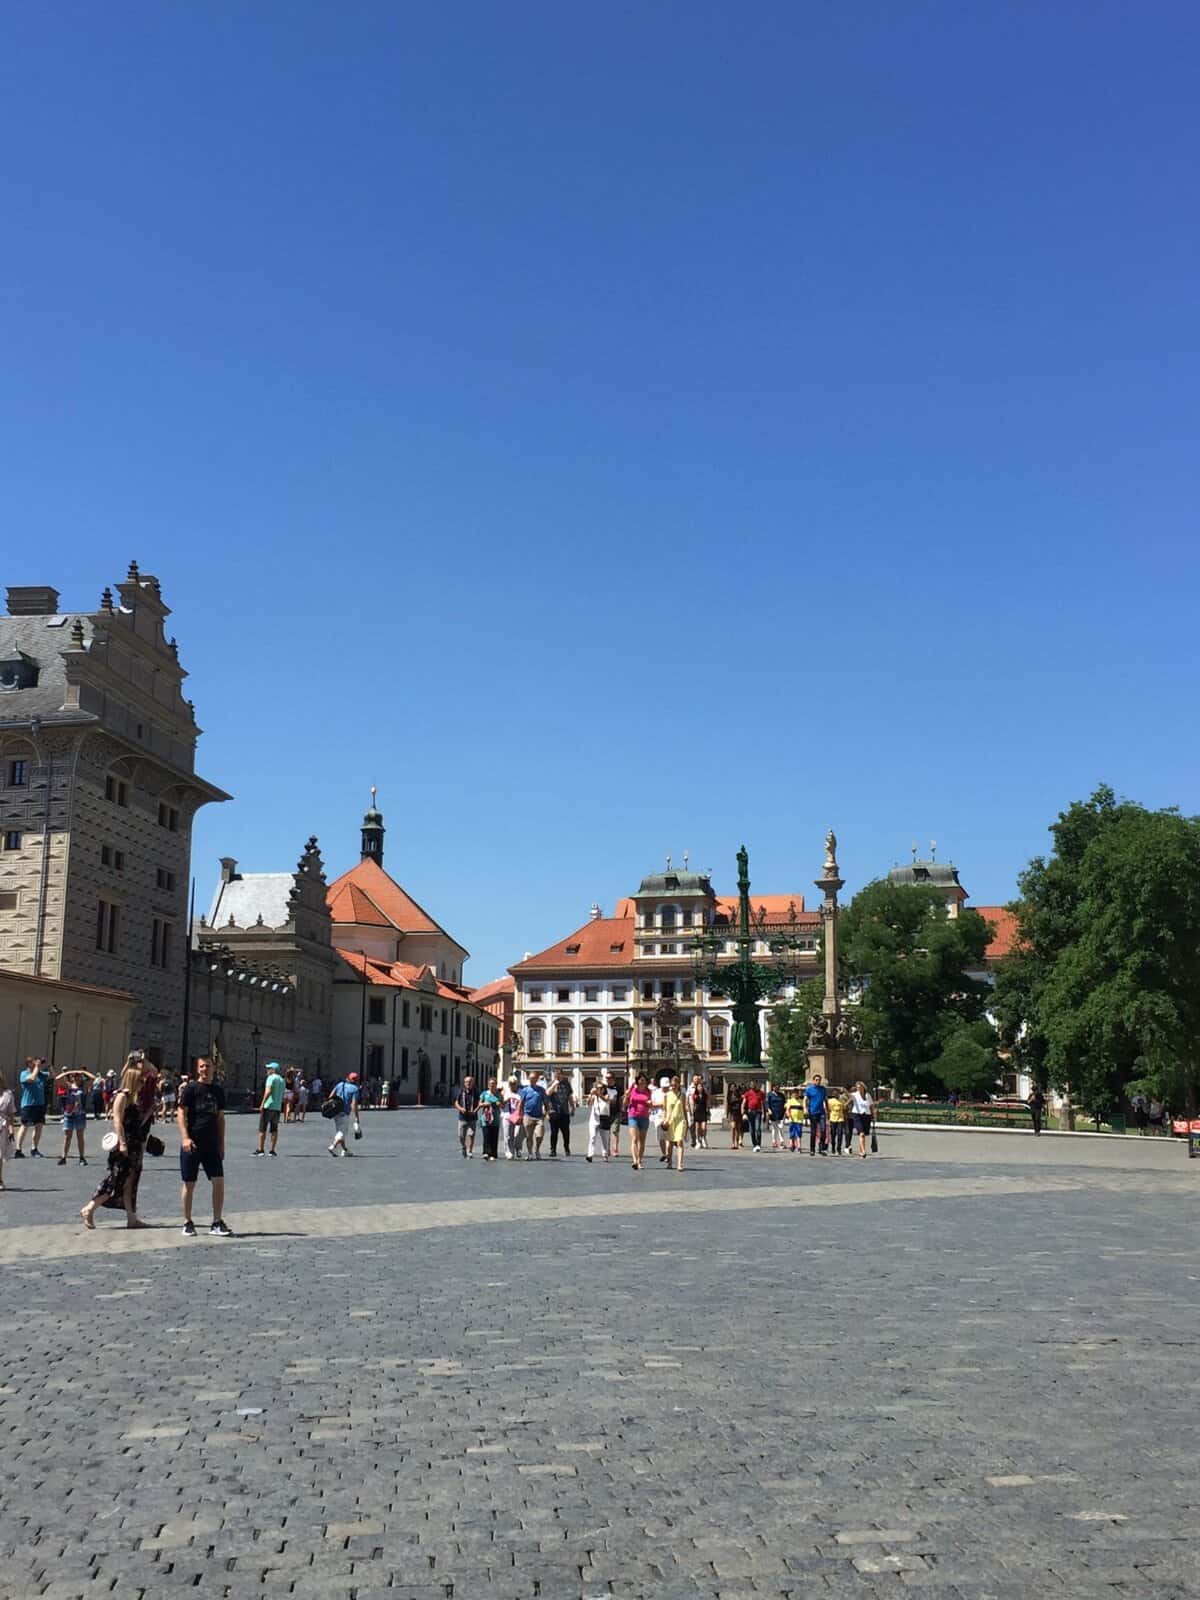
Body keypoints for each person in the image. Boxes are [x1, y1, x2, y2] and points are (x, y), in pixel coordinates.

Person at [80, 1055, 154, 1229]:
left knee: (130, 1181)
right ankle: (89, 1208)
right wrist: (122, 1143)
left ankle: (131, 1217)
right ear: (133, 1079)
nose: (143, 1083)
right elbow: (117, 1121)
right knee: (116, 1179)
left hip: (135, 1143)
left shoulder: (133, 1099)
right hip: (124, 1144)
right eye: (140, 1080)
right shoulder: (121, 1097)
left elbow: (137, 1123)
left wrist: (149, 1112)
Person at [177, 1056, 231, 1235]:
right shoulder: (190, 1089)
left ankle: (216, 1222)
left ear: (214, 1068)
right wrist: (185, 1137)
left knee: (219, 1182)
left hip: (211, 1144)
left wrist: (222, 1143)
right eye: (201, 1066)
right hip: (192, 1142)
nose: (205, 1069)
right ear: (197, 1068)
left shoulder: (218, 1091)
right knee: (189, 1183)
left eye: (208, 1066)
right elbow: (181, 1114)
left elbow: (220, 1119)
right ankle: (187, 1221)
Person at [15, 1057, 53, 1158]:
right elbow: (31, 1078)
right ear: (28, 1064)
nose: (37, 1064)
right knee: (25, 1126)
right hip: (28, 1104)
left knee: (39, 1126)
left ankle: (34, 1149)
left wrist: (49, 1066)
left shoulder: (41, 1074)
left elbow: (53, 1076)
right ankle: (18, 1150)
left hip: (40, 1104)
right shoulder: (24, 1074)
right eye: (33, 1062)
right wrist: (37, 1067)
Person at [56, 1070, 94, 1165]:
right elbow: (57, 1079)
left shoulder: (83, 1087)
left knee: (80, 1136)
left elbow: (94, 1078)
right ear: (72, 1078)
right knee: (67, 1136)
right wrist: (68, 1072)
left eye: (78, 1076)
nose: (76, 1078)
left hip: (80, 1114)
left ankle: (82, 1157)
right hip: (69, 1114)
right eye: (74, 1076)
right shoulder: (68, 1086)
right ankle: (64, 1157)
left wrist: (83, 1071)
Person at [255, 1062, 286, 1157]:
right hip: (277, 1108)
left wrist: (262, 1103)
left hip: (268, 1106)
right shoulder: (282, 1080)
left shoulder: (271, 1078)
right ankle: (272, 1150)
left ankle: (260, 1149)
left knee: (262, 1128)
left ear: (273, 1070)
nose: (267, 1070)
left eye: (269, 1068)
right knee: (274, 1129)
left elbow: (268, 1091)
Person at [328, 1072, 362, 1156]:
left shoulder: (340, 1084)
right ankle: (333, 1146)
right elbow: (354, 1104)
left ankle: (345, 1150)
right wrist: (357, 1117)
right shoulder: (355, 1089)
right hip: (344, 1112)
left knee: (340, 1130)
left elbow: (330, 1096)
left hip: (335, 1112)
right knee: (342, 1132)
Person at [624, 1072, 652, 1170]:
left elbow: (651, 1104)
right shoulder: (633, 1090)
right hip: (633, 1116)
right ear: (637, 1081)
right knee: (635, 1139)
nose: (642, 1082)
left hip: (644, 1117)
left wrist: (650, 1104)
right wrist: (626, 1096)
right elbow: (625, 1103)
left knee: (642, 1141)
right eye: (640, 1080)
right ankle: (635, 1161)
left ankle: (640, 1161)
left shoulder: (648, 1091)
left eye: (644, 1080)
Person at [519, 1070, 549, 1159]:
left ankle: (537, 1149)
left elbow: (546, 1102)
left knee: (540, 1135)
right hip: (527, 1116)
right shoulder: (525, 1090)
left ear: (536, 1079)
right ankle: (530, 1153)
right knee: (529, 1136)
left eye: (533, 1078)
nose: (531, 1080)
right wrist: (520, 1115)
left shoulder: (541, 1090)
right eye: (530, 1078)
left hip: (539, 1117)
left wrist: (547, 1113)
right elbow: (521, 1103)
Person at [546, 1067, 575, 1157]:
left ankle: (566, 1148)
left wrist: (572, 1107)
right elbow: (547, 1093)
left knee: (566, 1132)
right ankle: (553, 1150)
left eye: (559, 1074)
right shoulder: (551, 1083)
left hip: (564, 1112)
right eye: (555, 1074)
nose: (557, 1075)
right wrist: (554, 1085)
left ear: (562, 1074)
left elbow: (569, 1096)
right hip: (553, 1111)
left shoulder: (567, 1084)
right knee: (554, 1132)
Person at [663, 1075, 689, 1172]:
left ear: (678, 1085)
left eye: (675, 1085)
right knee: (670, 1142)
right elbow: (664, 1109)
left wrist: (687, 1121)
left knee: (680, 1141)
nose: (673, 1086)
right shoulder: (667, 1095)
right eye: (672, 1085)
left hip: (680, 1120)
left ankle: (680, 1164)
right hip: (670, 1121)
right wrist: (664, 1119)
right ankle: (669, 1162)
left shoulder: (682, 1095)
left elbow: (684, 1109)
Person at [586, 1074, 612, 1163]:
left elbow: (605, 1100)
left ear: (604, 1089)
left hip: (604, 1118)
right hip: (594, 1119)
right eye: (598, 1088)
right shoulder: (594, 1096)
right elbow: (588, 1103)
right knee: (592, 1137)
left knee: (604, 1138)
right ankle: (590, 1155)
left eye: (601, 1088)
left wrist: (598, 1094)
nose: (599, 1090)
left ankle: (605, 1154)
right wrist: (590, 1094)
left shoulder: (607, 1096)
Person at [453, 1074, 480, 1158]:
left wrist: (475, 1111)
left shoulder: (476, 1092)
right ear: (464, 1083)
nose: (468, 1083)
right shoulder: (461, 1091)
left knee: (471, 1135)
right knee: (461, 1136)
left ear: (473, 1083)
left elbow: (480, 1102)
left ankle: (470, 1151)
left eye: (470, 1082)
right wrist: (461, 1109)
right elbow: (456, 1103)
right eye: (466, 1082)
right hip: (462, 1117)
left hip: (472, 1117)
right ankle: (463, 1147)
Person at [804, 1074, 829, 1155]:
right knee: (813, 1131)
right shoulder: (809, 1089)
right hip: (813, 1112)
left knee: (823, 1130)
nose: (818, 1081)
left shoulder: (823, 1089)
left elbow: (825, 1100)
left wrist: (828, 1110)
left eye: (819, 1080)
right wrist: (805, 1108)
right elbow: (805, 1099)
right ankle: (812, 1149)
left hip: (821, 1112)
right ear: (813, 1080)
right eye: (816, 1080)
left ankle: (821, 1148)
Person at [479, 1077, 502, 1161]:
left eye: (494, 1084)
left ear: (496, 1085)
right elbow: (479, 1104)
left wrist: (499, 1104)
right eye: (490, 1084)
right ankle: (485, 1153)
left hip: (495, 1118)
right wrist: (486, 1103)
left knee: (494, 1136)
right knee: (486, 1135)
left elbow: (502, 1105)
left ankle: (493, 1154)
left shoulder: (498, 1094)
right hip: (486, 1117)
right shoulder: (484, 1093)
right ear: (488, 1085)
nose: (492, 1085)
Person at [849, 1080, 874, 1158]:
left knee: (863, 1134)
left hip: (867, 1115)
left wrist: (873, 1116)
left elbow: (871, 1106)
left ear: (863, 1087)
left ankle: (860, 1151)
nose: (859, 1089)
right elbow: (848, 1095)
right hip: (857, 1115)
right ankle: (863, 1151)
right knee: (861, 1133)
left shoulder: (868, 1095)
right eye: (857, 1087)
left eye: (860, 1087)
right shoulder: (854, 1095)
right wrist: (844, 1090)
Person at [502, 1077, 525, 1159]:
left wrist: (521, 1114)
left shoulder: (521, 1092)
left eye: (514, 1083)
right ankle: (509, 1152)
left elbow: (524, 1103)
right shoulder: (505, 1092)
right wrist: (506, 1100)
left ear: (517, 1083)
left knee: (518, 1133)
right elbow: (501, 1105)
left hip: (518, 1115)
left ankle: (518, 1148)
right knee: (508, 1135)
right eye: (511, 1083)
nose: (512, 1085)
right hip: (507, 1114)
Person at [0, 1074, 15, 1188]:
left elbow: (11, 1113)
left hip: (2, 1126)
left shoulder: (8, 1094)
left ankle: (0, 1180)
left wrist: (11, 1129)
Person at [740, 1082, 764, 1151]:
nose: (753, 1086)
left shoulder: (760, 1093)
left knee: (757, 1128)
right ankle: (754, 1144)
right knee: (752, 1130)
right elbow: (743, 1103)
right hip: (750, 1112)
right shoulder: (748, 1093)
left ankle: (758, 1144)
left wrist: (764, 1113)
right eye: (751, 1085)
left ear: (756, 1085)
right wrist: (743, 1112)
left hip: (758, 1112)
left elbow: (762, 1103)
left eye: (754, 1085)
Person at [689, 1075, 710, 1149]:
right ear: (697, 1088)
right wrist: (692, 1113)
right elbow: (692, 1104)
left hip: (703, 1112)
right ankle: (698, 1141)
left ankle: (703, 1138)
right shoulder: (694, 1095)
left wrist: (708, 1112)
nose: (700, 1088)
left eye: (701, 1087)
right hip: (697, 1112)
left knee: (703, 1127)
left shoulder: (705, 1095)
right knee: (697, 1128)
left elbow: (707, 1104)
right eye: (699, 1087)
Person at [765, 1082, 787, 1150]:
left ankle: (782, 1141)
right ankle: (774, 1141)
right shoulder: (770, 1094)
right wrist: (768, 1110)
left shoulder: (782, 1095)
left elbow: (785, 1103)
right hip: (773, 1113)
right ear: (773, 1087)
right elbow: (767, 1103)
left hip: (781, 1113)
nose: (777, 1088)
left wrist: (785, 1110)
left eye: (778, 1087)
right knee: (774, 1128)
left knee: (781, 1127)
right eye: (776, 1087)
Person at [827, 1088, 847, 1155]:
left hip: (840, 1119)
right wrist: (828, 1119)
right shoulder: (830, 1101)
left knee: (840, 1134)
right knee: (833, 1134)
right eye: (835, 1093)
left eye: (837, 1093)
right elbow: (828, 1110)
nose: (836, 1095)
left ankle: (839, 1149)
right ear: (833, 1094)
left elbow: (844, 1108)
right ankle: (833, 1147)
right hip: (833, 1118)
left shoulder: (841, 1101)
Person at [726, 1083, 743, 1150]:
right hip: (732, 1112)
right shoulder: (729, 1095)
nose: (733, 1088)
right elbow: (728, 1105)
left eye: (734, 1087)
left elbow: (742, 1103)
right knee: (733, 1127)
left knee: (738, 1129)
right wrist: (727, 1115)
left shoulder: (739, 1095)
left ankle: (737, 1142)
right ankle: (733, 1143)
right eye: (731, 1087)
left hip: (738, 1113)